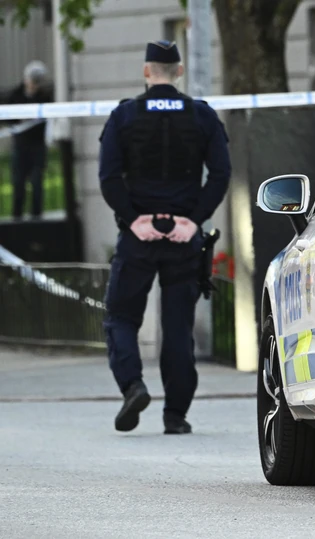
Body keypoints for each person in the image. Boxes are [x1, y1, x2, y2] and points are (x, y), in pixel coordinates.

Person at [98, 40, 231, 434]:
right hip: (183, 239)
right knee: (177, 328)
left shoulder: (124, 116)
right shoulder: (201, 115)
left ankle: (132, 386)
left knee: (121, 317)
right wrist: (193, 221)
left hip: (138, 238)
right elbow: (220, 174)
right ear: (180, 72)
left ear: (146, 71)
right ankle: (175, 415)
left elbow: (108, 177)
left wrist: (133, 219)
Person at [1, 61, 54, 220]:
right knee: (18, 182)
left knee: (37, 182)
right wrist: (19, 120)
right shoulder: (15, 95)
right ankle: (17, 216)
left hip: (37, 145)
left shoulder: (44, 97)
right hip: (20, 145)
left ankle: (37, 216)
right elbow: (7, 117)